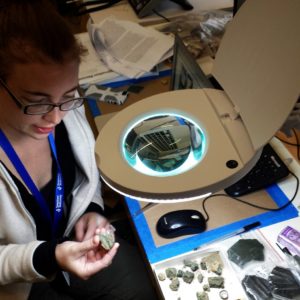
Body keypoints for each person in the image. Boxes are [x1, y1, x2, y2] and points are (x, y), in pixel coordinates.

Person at [0, 1, 159, 299]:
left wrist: (92, 210)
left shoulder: (62, 108)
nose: (56, 117)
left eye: (69, 95)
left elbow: (86, 177)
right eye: (37, 102)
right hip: (18, 284)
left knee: (143, 291)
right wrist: (49, 258)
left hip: (74, 242)